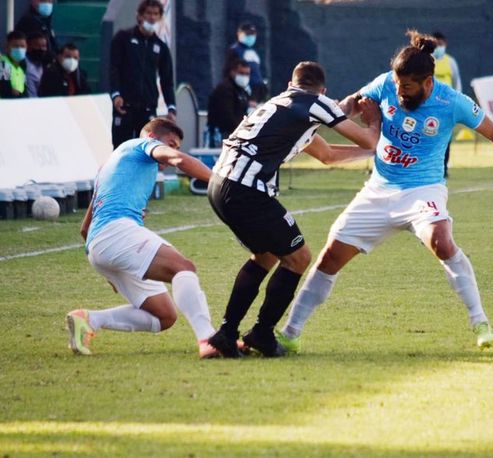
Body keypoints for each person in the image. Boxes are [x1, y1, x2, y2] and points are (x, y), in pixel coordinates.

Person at [277, 31, 493, 353]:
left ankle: (480, 322)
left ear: (427, 83)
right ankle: (290, 333)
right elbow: (352, 103)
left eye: (407, 87)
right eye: (397, 85)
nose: (399, 92)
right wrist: (336, 112)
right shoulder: (386, 83)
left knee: (441, 241)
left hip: (423, 190)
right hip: (378, 190)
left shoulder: (452, 102)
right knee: (329, 258)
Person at [206, 61, 381, 358]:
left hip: (220, 184)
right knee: (299, 258)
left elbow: (326, 155)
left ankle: (226, 333)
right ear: (322, 91)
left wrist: (370, 152)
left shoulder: (280, 105)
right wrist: (374, 122)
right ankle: (261, 333)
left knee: (267, 255)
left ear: (290, 83)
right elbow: (367, 137)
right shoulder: (315, 103)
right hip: (247, 189)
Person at [66, 118, 219, 359]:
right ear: (151, 138)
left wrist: (110, 270)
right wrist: (219, 181)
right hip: (116, 232)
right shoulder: (140, 145)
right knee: (183, 268)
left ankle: (89, 319)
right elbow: (179, 160)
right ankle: (210, 340)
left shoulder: (110, 166)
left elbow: (85, 228)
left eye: (177, 146)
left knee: (164, 316)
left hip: (98, 245)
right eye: (171, 143)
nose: (173, 151)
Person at [109, 0, 176, 149]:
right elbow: (114, 69)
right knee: (121, 149)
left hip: (148, 109)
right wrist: (116, 94)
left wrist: (171, 107)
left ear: (160, 17)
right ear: (139, 15)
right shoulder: (123, 38)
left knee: (146, 149)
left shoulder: (161, 47)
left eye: (155, 14)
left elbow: (167, 80)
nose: (152, 17)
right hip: (125, 106)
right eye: (148, 13)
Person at [432, 31, 462, 178]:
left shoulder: (450, 62)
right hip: (431, 106)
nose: (438, 47)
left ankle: (444, 167)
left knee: (446, 137)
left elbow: (457, 83)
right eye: (436, 44)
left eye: (441, 44)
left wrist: (457, 103)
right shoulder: (427, 61)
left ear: (445, 44)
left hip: (448, 106)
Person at [206, 58, 251, 146]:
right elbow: (226, 117)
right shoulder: (224, 89)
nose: (245, 77)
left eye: (247, 74)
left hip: (236, 134)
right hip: (222, 134)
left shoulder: (242, 92)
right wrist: (242, 130)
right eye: (241, 73)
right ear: (232, 72)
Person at [226, 22, 268, 103]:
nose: (251, 37)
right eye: (248, 34)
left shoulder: (254, 52)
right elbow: (230, 72)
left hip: (259, 92)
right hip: (246, 92)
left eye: (252, 34)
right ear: (239, 34)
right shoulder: (235, 50)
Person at [0, 31, 28, 99]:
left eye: (22, 46)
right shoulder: (3, 64)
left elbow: (24, 87)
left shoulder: (22, 66)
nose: (19, 49)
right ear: (6, 47)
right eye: (15, 46)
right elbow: (5, 90)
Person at [25, 31, 52, 97]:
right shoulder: (23, 63)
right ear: (28, 46)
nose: (41, 49)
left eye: (43, 46)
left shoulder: (43, 65)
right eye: (37, 46)